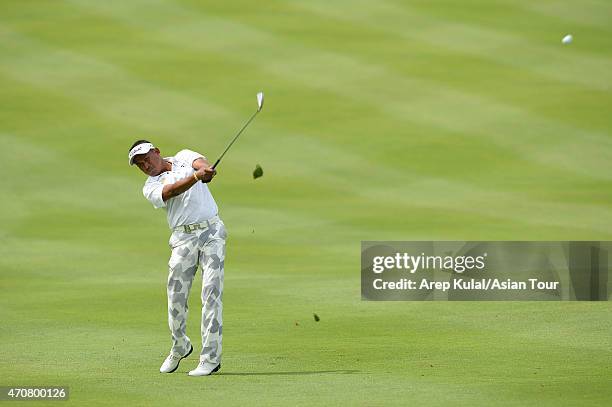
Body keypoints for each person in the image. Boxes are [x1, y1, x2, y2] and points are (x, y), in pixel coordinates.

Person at [128, 140, 226, 377]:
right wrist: (196, 177)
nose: (145, 165)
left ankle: (210, 358)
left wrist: (206, 171)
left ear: (157, 152)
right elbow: (170, 192)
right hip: (183, 239)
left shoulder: (183, 156)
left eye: (146, 158)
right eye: (140, 164)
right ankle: (180, 344)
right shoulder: (150, 186)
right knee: (175, 297)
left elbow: (200, 163)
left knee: (211, 294)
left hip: (212, 232)